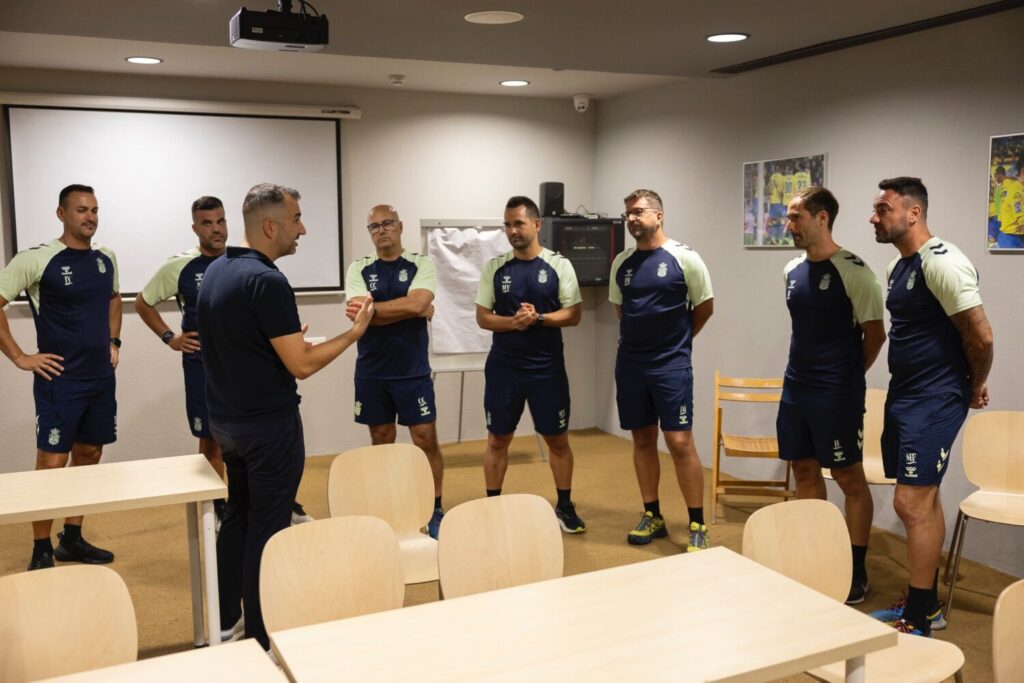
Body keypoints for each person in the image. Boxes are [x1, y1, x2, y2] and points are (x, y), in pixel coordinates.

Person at [196, 183, 372, 649]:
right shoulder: (268, 281)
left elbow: (246, 345)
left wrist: (289, 339)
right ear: (270, 226)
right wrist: (354, 333)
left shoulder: (216, 271)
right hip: (267, 427)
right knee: (268, 529)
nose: (303, 228)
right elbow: (303, 365)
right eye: (296, 219)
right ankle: (260, 636)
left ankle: (223, 618)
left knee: (239, 516)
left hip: (228, 425)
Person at [136, 196, 314, 527]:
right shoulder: (181, 266)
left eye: (221, 221)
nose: (216, 229)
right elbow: (143, 302)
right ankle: (219, 505)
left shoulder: (242, 262)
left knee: (257, 439)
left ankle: (273, 500)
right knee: (213, 440)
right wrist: (169, 337)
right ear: (195, 228)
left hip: (245, 367)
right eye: (207, 223)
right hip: (202, 365)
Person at [868, 176, 993, 636]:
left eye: (883, 209)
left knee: (910, 501)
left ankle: (918, 618)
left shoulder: (944, 263)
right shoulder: (898, 267)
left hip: (936, 396)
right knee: (924, 498)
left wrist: (975, 384)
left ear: (913, 214)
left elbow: (980, 335)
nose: (873, 217)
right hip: (907, 392)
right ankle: (928, 603)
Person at [0, 184, 120, 570]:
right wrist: (20, 356)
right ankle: (40, 548)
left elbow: (114, 298)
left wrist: (114, 340)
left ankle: (72, 537)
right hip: (60, 381)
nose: (90, 217)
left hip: (100, 378)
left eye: (95, 210)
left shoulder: (106, 257)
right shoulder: (37, 259)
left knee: (90, 454)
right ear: (62, 214)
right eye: (82, 210)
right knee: (52, 463)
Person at [776, 186, 886, 604]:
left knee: (847, 476)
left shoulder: (855, 272)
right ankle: (816, 553)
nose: (789, 227)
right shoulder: (790, 270)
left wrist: (847, 376)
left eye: (795, 218)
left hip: (837, 392)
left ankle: (856, 570)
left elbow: (875, 335)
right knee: (803, 468)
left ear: (822, 219)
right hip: (796, 387)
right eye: (788, 219)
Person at [475, 195, 587, 534]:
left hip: (547, 370)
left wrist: (538, 319)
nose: (512, 230)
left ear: (536, 225)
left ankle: (565, 505)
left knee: (557, 440)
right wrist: (514, 323)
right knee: (497, 440)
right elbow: (482, 317)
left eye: (518, 223)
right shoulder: (496, 267)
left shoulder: (559, 265)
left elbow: (574, 313)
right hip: (504, 369)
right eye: (507, 225)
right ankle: (493, 504)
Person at [610, 188, 714, 552]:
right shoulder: (622, 262)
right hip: (631, 365)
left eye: (638, 212)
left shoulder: (685, 259)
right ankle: (652, 514)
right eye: (628, 214)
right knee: (641, 439)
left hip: (671, 365)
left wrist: (677, 342)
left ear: (659, 216)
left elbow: (704, 307)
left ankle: (697, 522)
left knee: (679, 441)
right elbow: (622, 311)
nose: (632, 219)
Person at [344, 204, 445, 538]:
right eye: (374, 226)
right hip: (373, 371)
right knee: (382, 440)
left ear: (400, 227)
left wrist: (378, 311)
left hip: (412, 371)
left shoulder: (421, 263)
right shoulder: (358, 268)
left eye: (387, 223)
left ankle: (434, 508)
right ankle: (389, 505)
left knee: (425, 439)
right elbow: (367, 313)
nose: (381, 230)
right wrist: (411, 308)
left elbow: (414, 304)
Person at [992, 166, 1024, 248]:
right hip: (1010, 233)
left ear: (998, 174)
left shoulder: (1002, 188)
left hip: (1008, 231)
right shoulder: (1014, 186)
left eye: (995, 176)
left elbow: (998, 208)